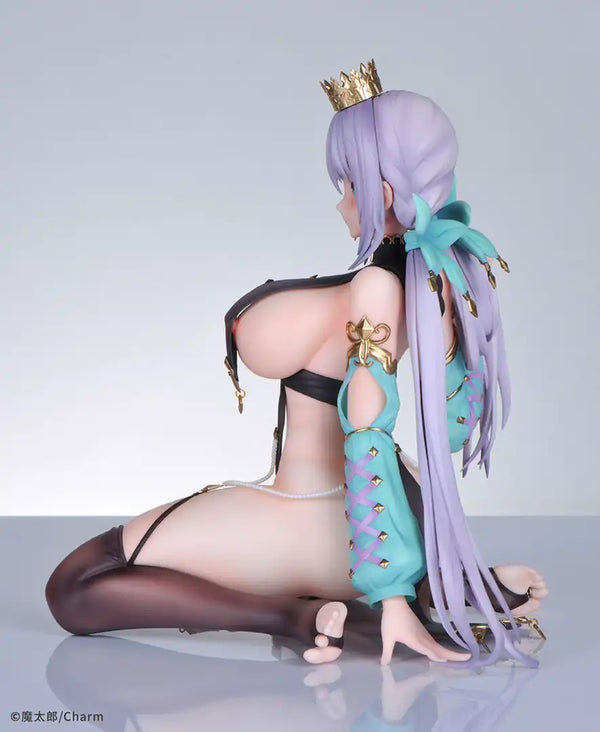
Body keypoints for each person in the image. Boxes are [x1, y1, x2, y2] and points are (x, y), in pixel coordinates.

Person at [45, 59, 548, 668]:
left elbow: (367, 433)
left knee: (75, 585)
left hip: (316, 514)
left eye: (349, 184)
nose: (341, 203)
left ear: (384, 191)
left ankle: (300, 617)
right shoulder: (434, 277)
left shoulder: (376, 287)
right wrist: (442, 554)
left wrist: (391, 590)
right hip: (383, 509)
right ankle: (450, 586)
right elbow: (455, 421)